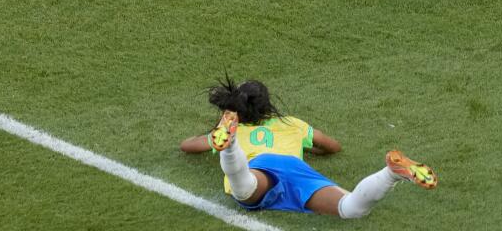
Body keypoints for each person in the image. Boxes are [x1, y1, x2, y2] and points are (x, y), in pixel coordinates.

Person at [180, 77, 436, 218]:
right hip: (295, 168)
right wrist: (310, 148)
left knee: (244, 185)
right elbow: (333, 146)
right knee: (350, 209)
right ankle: (391, 172)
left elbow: (187, 146)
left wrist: (218, 135)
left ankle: (230, 146)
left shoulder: (236, 128)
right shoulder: (292, 124)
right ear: (269, 106)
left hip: (259, 167)